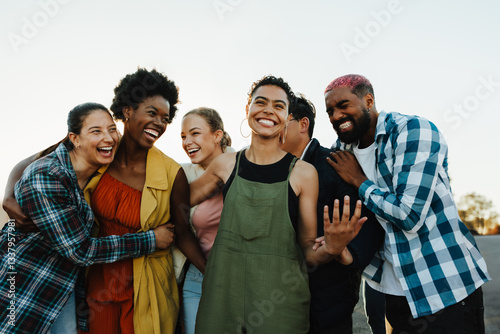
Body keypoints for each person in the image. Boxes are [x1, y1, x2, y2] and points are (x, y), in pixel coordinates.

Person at [189, 75, 367, 333]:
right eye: (260, 102)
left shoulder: (304, 174)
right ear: (248, 109)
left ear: (286, 117)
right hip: (221, 300)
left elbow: (308, 250)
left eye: (279, 106)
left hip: (281, 308)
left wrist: (331, 248)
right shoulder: (225, 165)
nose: (269, 110)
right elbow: (175, 202)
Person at [324, 74, 490, 334]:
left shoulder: (414, 131)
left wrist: (359, 180)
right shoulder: (342, 150)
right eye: (330, 111)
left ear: (369, 100)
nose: (336, 116)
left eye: (343, 106)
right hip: (392, 294)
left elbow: (409, 214)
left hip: (444, 289)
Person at [0, 103, 174, 334]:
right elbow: (80, 250)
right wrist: (151, 240)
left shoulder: (97, 159)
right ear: (75, 139)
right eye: (96, 131)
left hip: (62, 287)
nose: (109, 138)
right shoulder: (47, 176)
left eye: (112, 129)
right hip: (25, 285)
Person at [81, 68, 206, 334]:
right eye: (152, 113)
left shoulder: (173, 174)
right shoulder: (98, 152)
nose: (160, 124)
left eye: (166, 119)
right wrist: (10, 192)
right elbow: (42, 159)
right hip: (98, 282)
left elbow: (183, 236)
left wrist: (215, 274)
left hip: (148, 286)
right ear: (127, 110)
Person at [280, 95, 384, 334]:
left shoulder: (335, 164)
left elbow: (367, 221)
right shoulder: (271, 168)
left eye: (282, 120)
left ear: (303, 124)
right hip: (280, 298)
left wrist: (344, 252)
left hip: (328, 303)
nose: (274, 127)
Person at [178, 107, 233, 334]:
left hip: (238, 276)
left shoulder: (245, 164)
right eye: (183, 137)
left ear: (217, 135)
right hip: (199, 275)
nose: (187, 142)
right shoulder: (182, 173)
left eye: (194, 133)